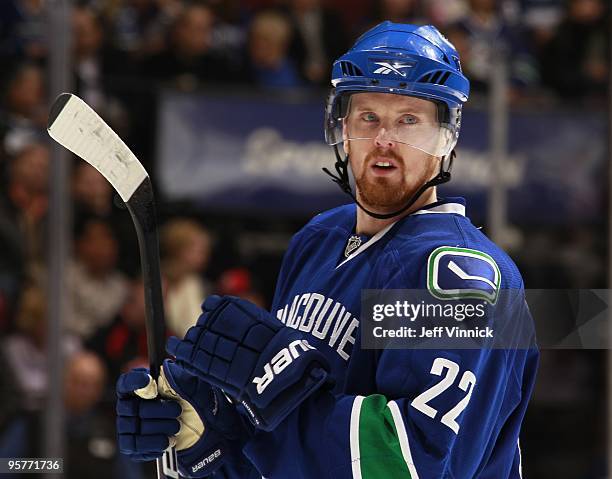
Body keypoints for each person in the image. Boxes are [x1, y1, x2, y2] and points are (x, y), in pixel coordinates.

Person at [116, 22, 538, 478]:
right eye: (368, 117)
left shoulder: (455, 275)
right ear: (341, 127)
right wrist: (207, 436)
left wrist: (277, 396)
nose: (384, 141)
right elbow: (282, 450)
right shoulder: (318, 239)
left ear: (446, 137)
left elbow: (413, 462)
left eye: (409, 120)